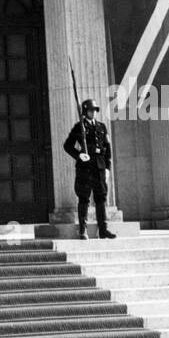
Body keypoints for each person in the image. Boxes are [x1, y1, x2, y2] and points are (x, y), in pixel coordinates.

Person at [63, 98, 116, 240]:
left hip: (99, 166)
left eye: (95, 110)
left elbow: (107, 150)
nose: (93, 113)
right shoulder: (78, 127)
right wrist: (80, 155)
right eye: (91, 110)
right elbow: (67, 146)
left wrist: (107, 168)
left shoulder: (102, 127)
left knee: (101, 198)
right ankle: (83, 230)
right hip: (85, 167)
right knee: (84, 198)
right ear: (85, 111)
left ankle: (103, 230)